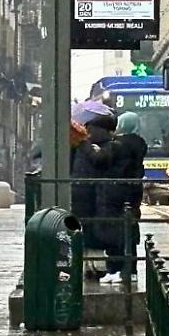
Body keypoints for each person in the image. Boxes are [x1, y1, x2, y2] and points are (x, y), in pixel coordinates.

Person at [99, 112, 147, 284]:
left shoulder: (117, 145)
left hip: (115, 193)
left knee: (112, 230)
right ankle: (131, 270)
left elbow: (104, 163)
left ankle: (114, 269)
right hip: (134, 192)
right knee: (130, 228)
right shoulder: (140, 145)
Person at [72, 113, 115, 275]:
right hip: (94, 197)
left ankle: (88, 268)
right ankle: (96, 268)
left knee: (86, 232)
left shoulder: (83, 147)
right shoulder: (100, 147)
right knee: (94, 233)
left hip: (80, 196)